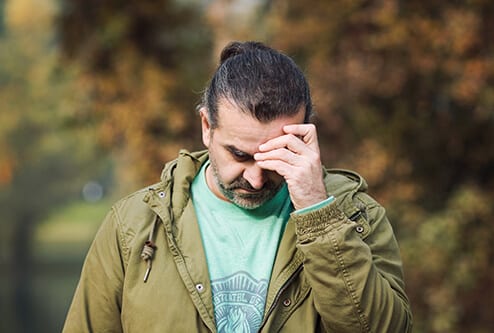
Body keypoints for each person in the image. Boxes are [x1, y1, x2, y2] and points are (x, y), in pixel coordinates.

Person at [63, 41, 412, 333]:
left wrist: (318, 213)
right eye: (240, 154)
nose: (256, 178)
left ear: (306, 135)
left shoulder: (354, 215)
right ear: (206, 126)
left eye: (276, 156)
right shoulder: (131, 226)